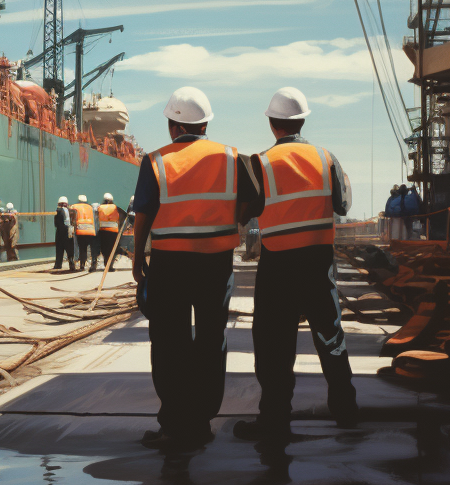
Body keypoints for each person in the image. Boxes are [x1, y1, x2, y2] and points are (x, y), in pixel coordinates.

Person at [132, 86, 261, 449]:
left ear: (173, 125)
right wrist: (234, 220)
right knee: (209, 338)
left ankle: (174, 423)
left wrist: (138, 257)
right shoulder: (232, 157)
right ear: (205, 124)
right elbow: (256, 202)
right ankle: (202, 421)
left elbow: (143, 213)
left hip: (170, 263)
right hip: (215, 263)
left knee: (169, 342)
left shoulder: (156, 161)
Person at [234, 87, 359, 442]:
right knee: (330, 335)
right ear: (302, 120)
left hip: (279, 265)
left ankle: (274, 419)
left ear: (272, 124)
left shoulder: (259, 163)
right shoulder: (326, 157)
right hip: (319, 263)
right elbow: (343, 204)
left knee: (274, 344)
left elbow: (247, 213)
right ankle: (346, 410)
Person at [97, 192, 122, 270]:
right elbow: (120, 218)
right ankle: (110, 265)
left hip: (103, 231)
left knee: (104, 248)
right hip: (113, 231)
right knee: (112, 249)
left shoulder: (100, 207)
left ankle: (106, 263)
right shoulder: (115, 207)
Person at [72, 194, 98, 271]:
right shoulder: (90, 207)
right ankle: (94, 263)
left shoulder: (74, 206)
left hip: (80, 230)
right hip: (91, 230)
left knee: (82, 248)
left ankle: (82, 265)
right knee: (92, 248)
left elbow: (72, 218)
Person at [54, 195, 75, 271]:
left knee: (59, 248)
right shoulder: (70, 211)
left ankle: (58, 264)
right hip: (69, 230)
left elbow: (56, 223)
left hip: (60, 231)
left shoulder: (58, 211)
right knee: (69, 248)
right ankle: (71, 263)